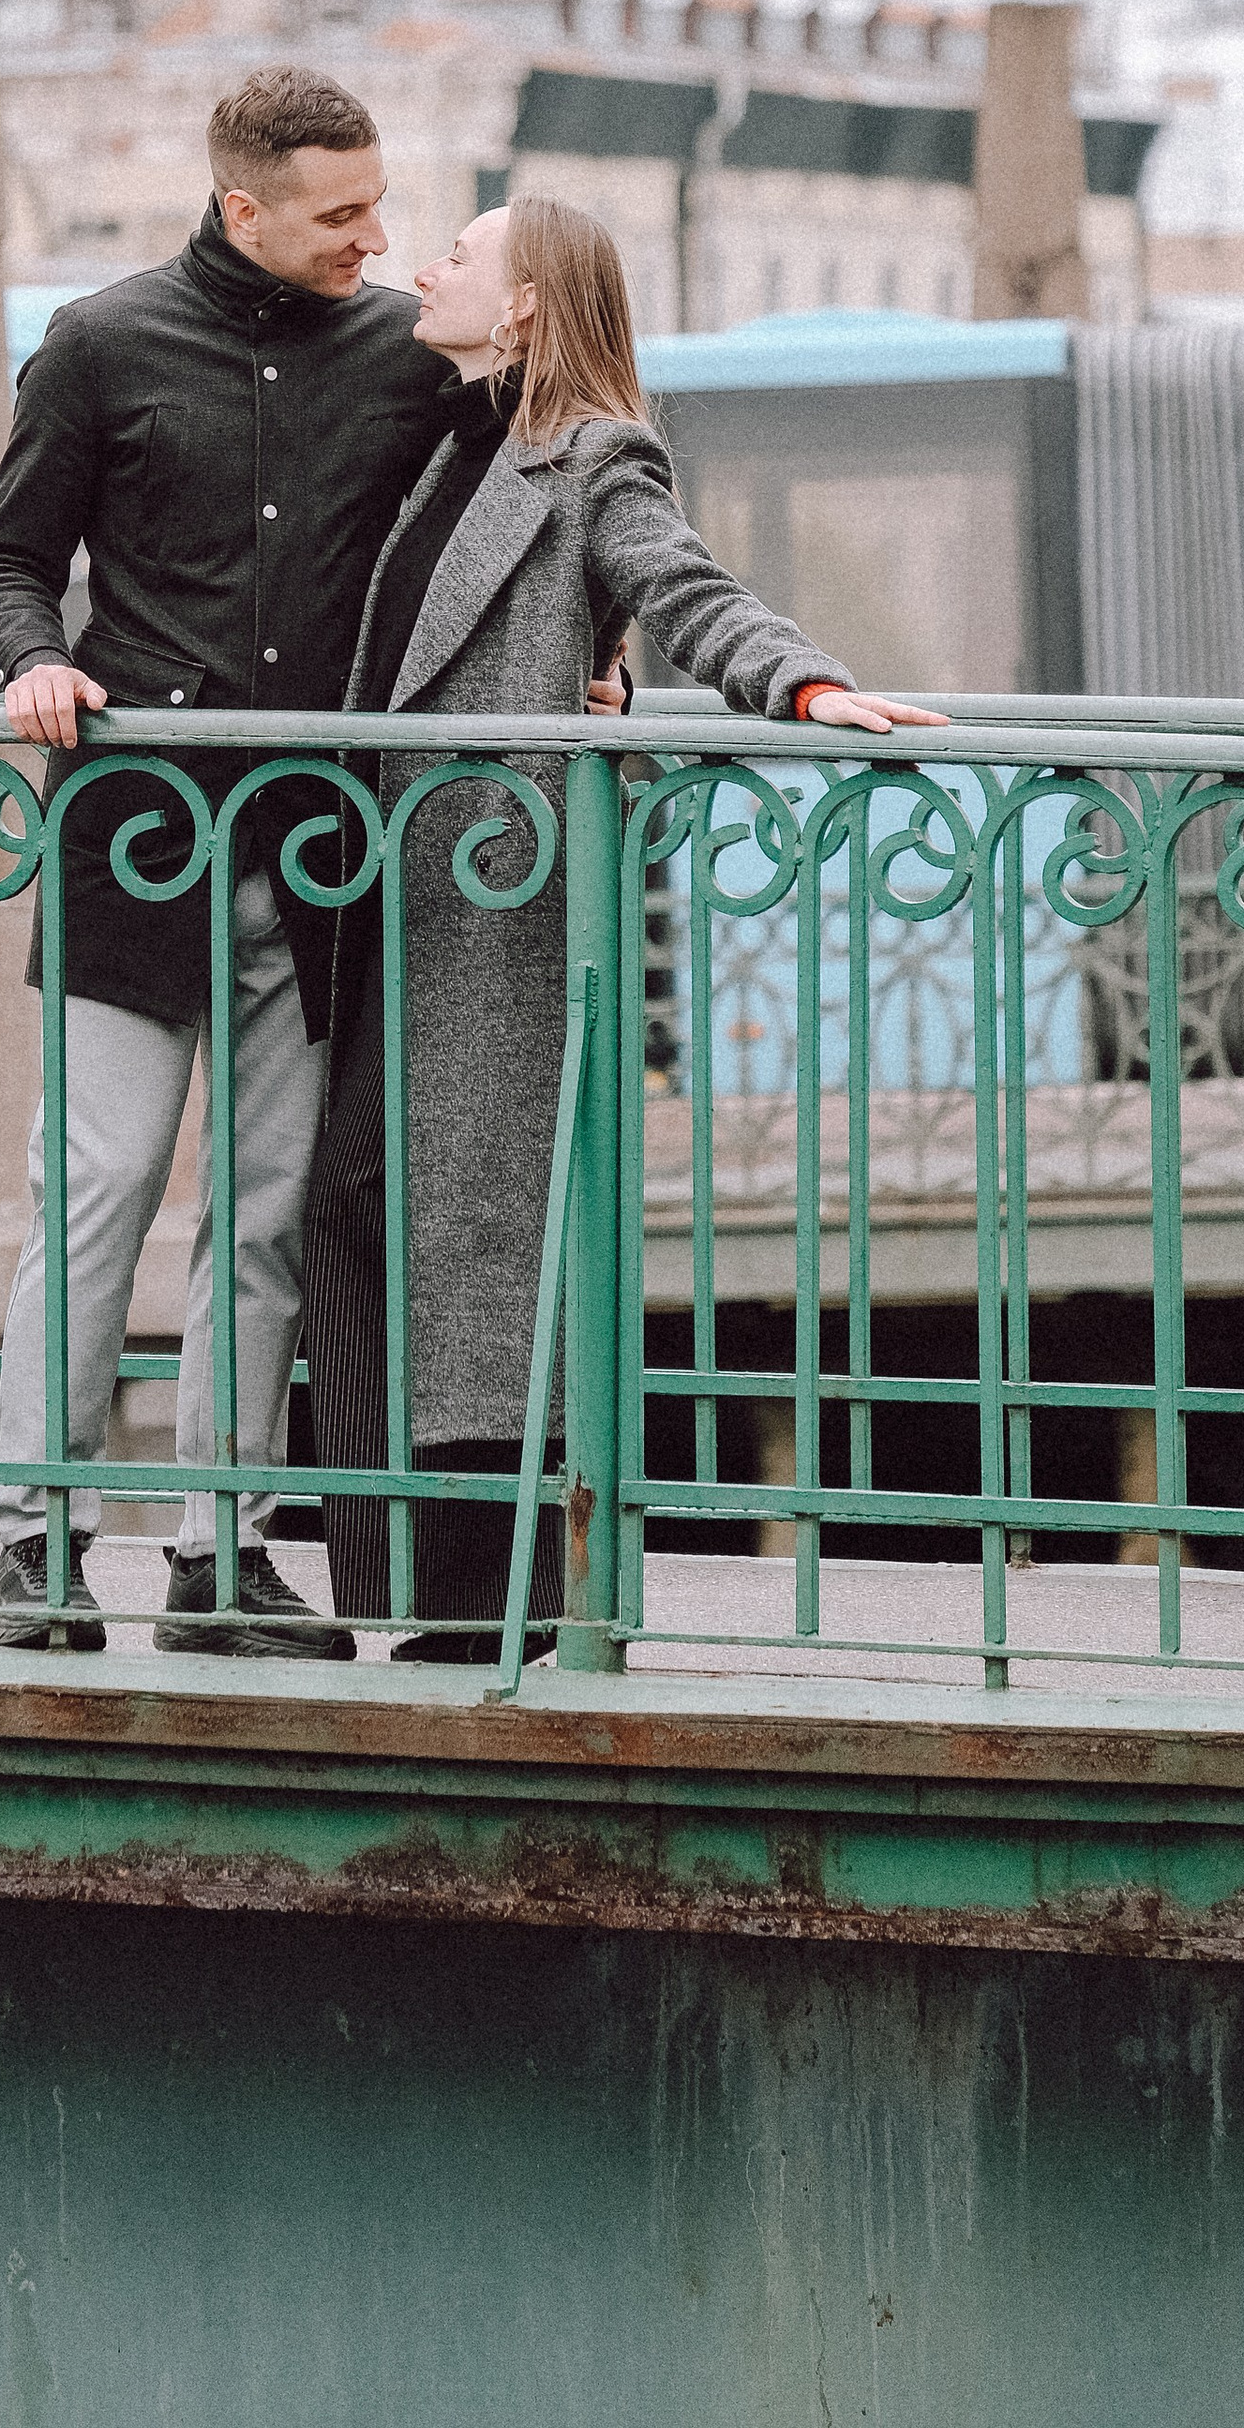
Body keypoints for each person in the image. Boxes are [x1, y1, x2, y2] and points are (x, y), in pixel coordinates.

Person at [303, 192, 946, 1661]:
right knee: (361, 1216)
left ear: (526, 303)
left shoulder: (591, 455)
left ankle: (494, 1603)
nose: (426, 265)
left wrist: (801, 684)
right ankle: (418, 1580)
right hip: (394, 905)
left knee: (473, 1241)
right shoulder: (449, 453)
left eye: (460, 254)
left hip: (493, 908)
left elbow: (683, 586)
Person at [0, 65, 457, 1655]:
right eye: (341, 213)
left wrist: (601, 649)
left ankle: (220, 1560)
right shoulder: (101, 343)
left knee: (261, 1218)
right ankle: (36, 1545)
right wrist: (29, 662)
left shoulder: (406, 359)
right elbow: (9, 560)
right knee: (90, 1193)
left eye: (379, 204)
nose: (372, 239)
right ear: (244, 206)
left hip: (316, 855)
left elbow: (515, 522)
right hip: (133, 843)